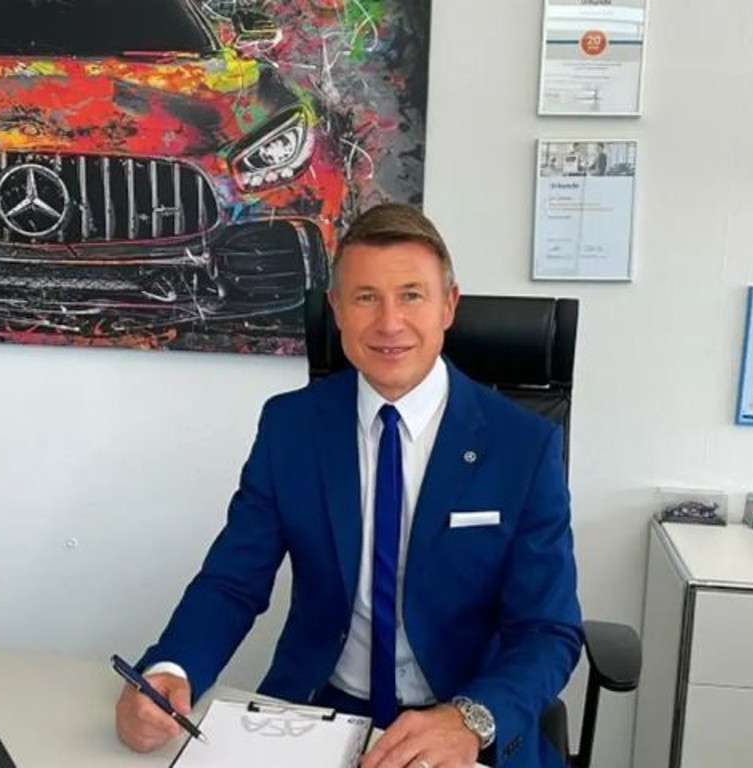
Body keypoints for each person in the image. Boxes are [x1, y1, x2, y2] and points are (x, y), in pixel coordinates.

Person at [115, 203, 583, 768]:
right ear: (336, 308)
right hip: (320, 713)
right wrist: (171, 668)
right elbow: (233, 581)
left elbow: (547, 629)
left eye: (411, 295)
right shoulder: (291, 427)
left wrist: (470, 718)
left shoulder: (523, 446)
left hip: (458, 721)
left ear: (449, 306)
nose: (389, 323)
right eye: (365, 297)